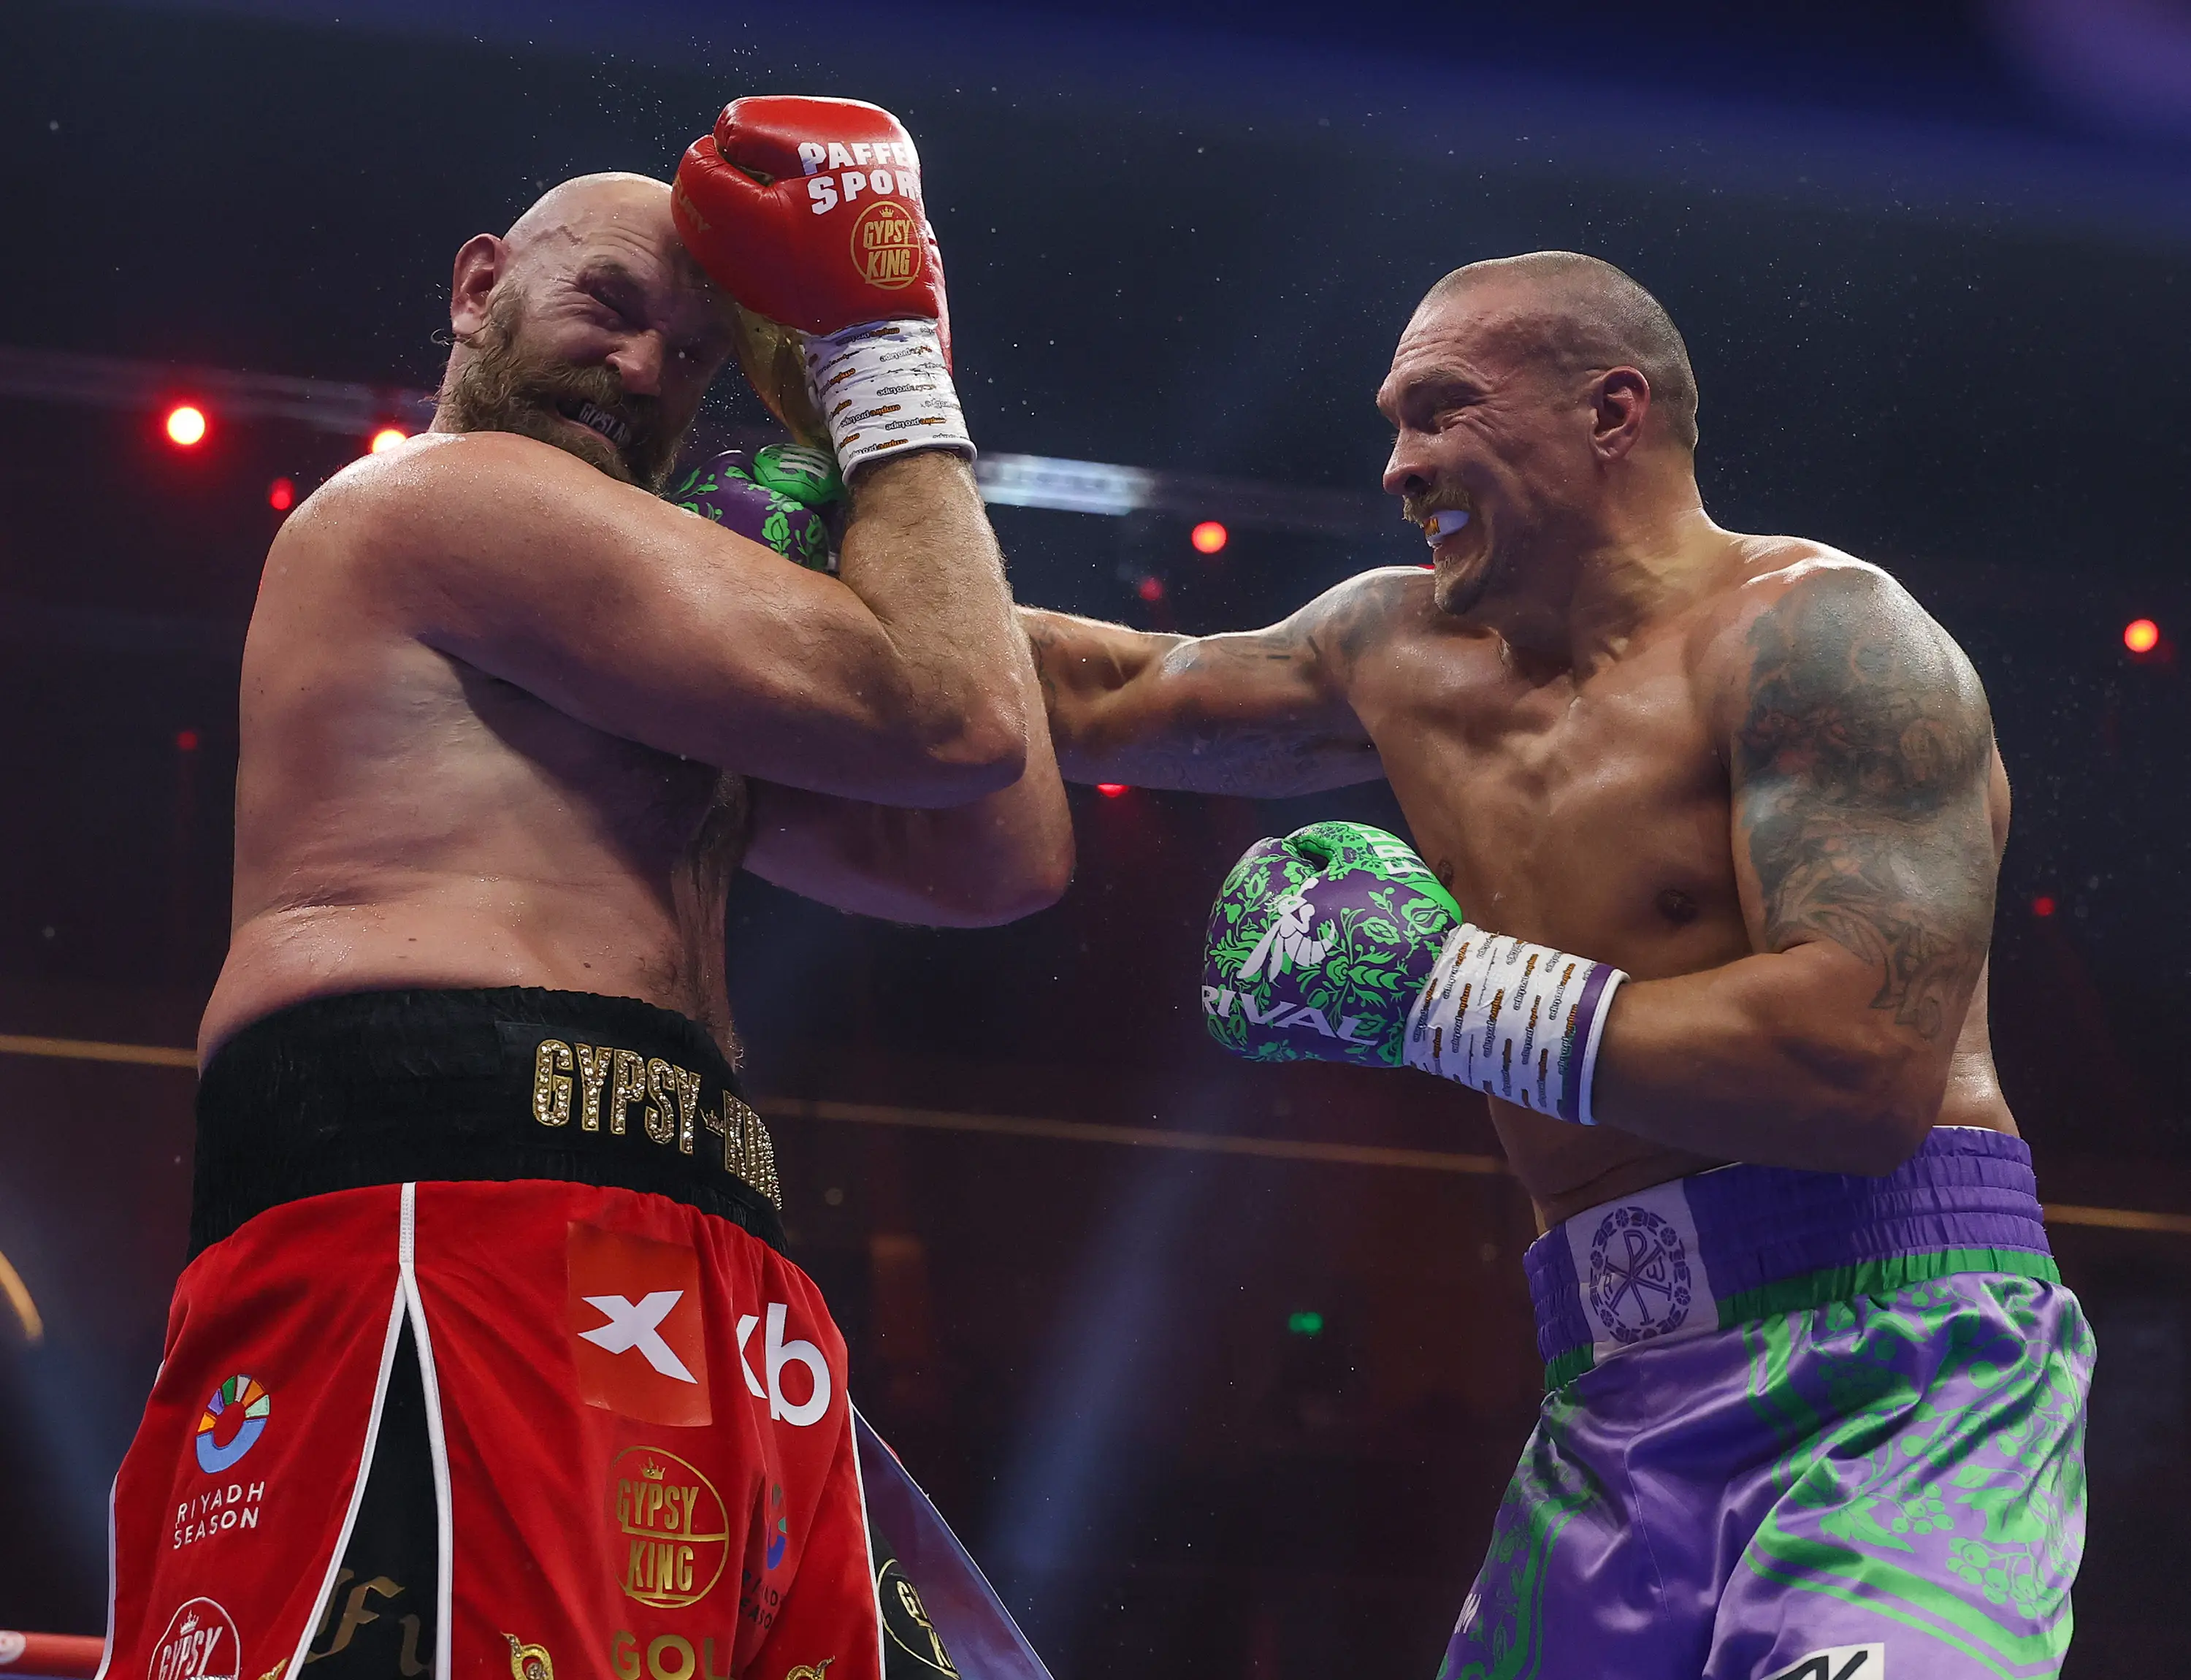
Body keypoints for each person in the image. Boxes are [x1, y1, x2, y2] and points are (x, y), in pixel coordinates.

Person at [103, 97, 1069, 1680]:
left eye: (695, 356)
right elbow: (955, 710)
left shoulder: (644, 682)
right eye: (611, 309)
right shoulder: (430, 504)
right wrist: (886, 360)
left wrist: (847, 426)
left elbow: (994, 846)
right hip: (443, 1213)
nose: (642, 372)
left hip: (709, 1247)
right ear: (480, 286)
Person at [1020, 252, 2089, 1679]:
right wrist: (816, 539)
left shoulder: (1823, 639)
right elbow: (1106, 694)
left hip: (1892, 1361)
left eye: (1442, 411)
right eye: (1391, 421)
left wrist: (1444, 994)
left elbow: (1858, 1065)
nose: (1399, 466)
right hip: (1614, 1388)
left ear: (1612, 412)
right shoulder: (1396, 651)